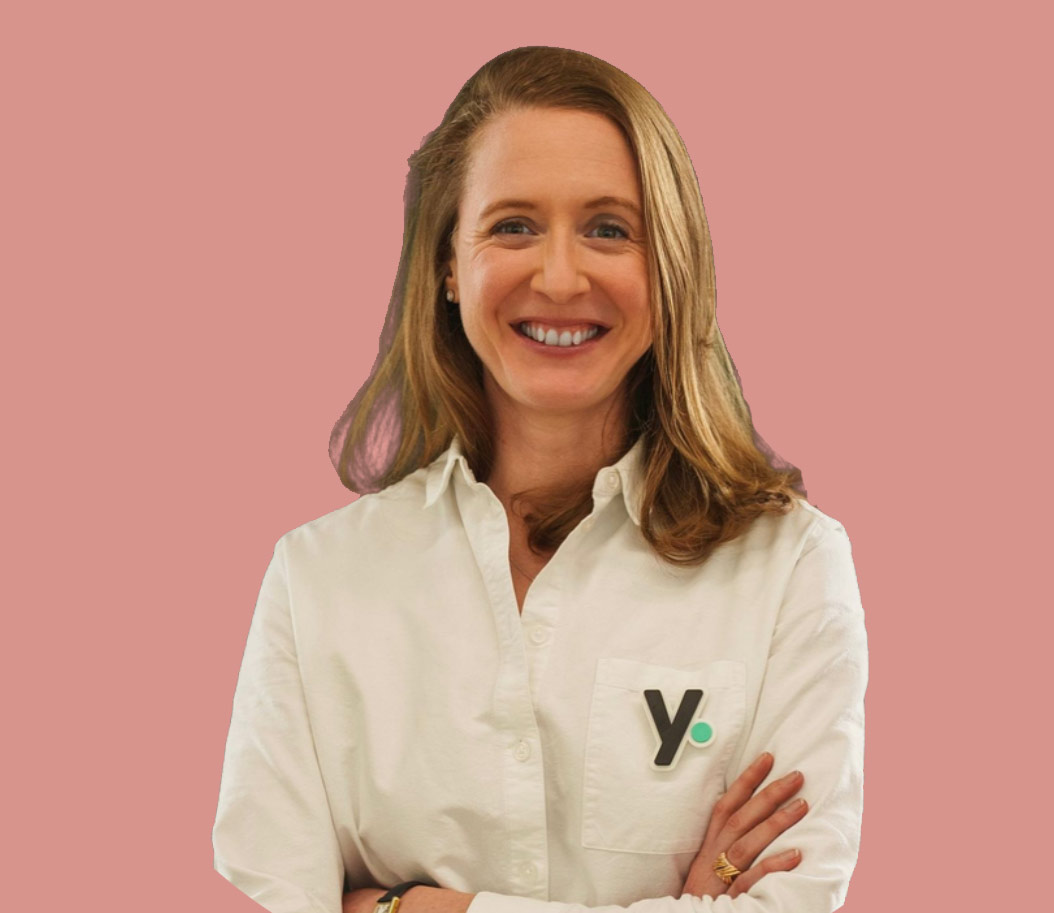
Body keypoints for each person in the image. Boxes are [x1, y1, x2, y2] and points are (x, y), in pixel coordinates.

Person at [213, 46, 868, 913]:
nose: (560, 277)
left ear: (670, 266)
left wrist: (406, 907)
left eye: (609, 229)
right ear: (449, 265)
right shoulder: (317, 582)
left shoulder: (790, 569)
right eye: (514, 226)